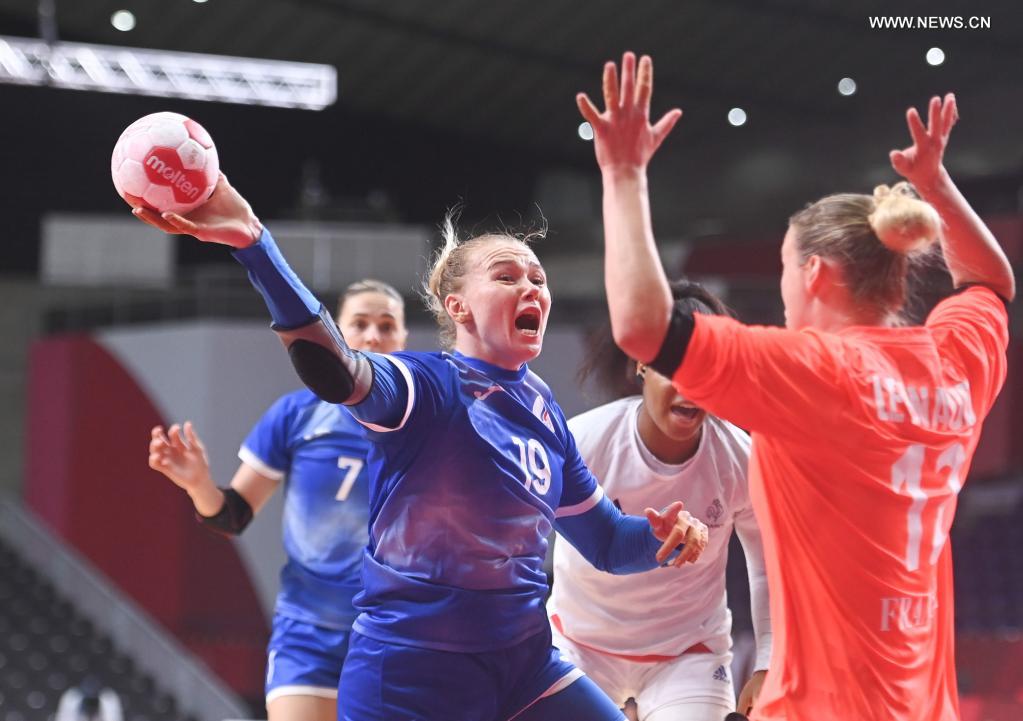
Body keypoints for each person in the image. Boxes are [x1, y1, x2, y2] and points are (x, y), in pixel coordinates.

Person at [127, 180, 710, 721]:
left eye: (538, 278)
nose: (531, 286)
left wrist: (663, 538)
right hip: (413, 671)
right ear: (458, 307)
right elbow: (334, 369)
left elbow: (607, 541)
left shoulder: (544, 411)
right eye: (507, 276)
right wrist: (255, 244)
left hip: (524, 664)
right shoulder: (425, 385)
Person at [579, 52, 1014, 720]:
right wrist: (935, 184)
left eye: (783, 265)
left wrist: (623, 174)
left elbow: (642, 326)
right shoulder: (954, 361)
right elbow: (990, 283)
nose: (782, 288)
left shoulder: (811, 371)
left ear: (812, 273)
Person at [148, 279, 408, 721]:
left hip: (394, 632)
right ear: (337, 335)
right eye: (360, 323)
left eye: (387, 326)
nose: (373, 336)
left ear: (402, 339)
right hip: (307, 631)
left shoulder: (423, 423)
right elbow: (231, 517)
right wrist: (198, 484)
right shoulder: (296, 414)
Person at [548, 280, 771, 721]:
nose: (690, 388)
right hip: (577, 647)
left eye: (705, 371)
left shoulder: (740, 458)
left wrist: (766, 663)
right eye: (674, 369)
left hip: (688, 655)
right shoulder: (582, 441)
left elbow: (768, 567)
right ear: (641, 365)